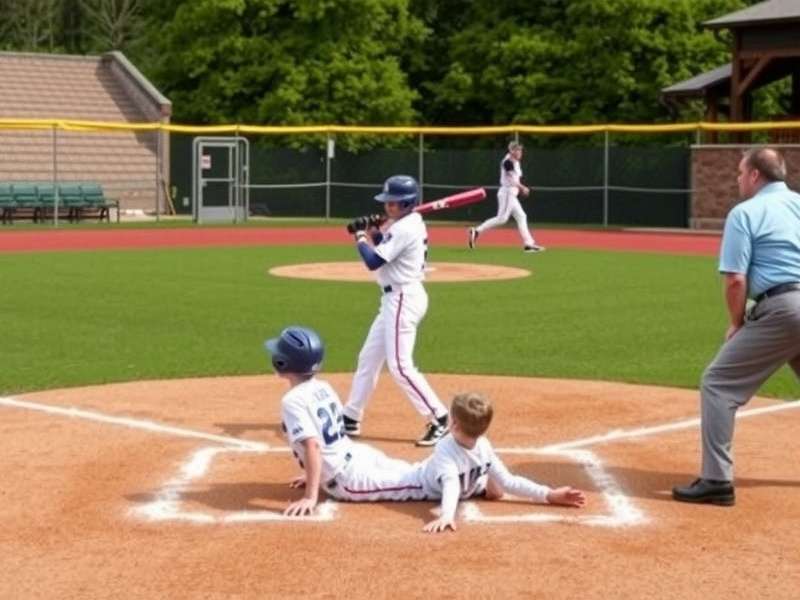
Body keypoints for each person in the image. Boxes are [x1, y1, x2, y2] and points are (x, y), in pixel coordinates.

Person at [673, 147, 800, 507]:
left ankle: (716, 480)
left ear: (756, 175)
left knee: (717, 384)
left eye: (741, 173)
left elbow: (734, 280)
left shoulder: (745, 212)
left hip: (784, 307)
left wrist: (737, 322)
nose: (738, 179)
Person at [265, 325, 431, 517]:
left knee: (419, 484)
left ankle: (468, 481)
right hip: (360, 455)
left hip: (348, 479)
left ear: (282, 362)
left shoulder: (292, 400)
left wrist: (310, 497)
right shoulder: (323, 386)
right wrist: (313, 475)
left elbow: (313, 446)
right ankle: (463, 471)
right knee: (414, 472)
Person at [342, 174, 450, 446]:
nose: (388, 206)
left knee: (400, 367)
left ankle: (439, 417)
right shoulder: (404, 223)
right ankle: (350, 417)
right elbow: (384, 245)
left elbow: (373, 261)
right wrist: (375, 231)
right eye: (387, 202)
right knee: (368, 358)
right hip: (394, 298)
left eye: (394, 203)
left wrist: (360, 236)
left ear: (408, 203)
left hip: (403, 297)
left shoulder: (405, 228)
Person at [418, 392, 586, 533]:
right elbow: (507, 482)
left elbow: (452, 483)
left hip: (431, 483)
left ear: (454, 424)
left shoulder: (459, 446)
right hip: (425, 479)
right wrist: (547, 494)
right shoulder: (478, 445)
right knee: (391, 477)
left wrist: (550, 495)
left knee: (392, 483)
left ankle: (486, 484)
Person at [468, 141, 544, 253]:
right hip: (507, 193)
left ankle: (529, 244)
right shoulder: (508, 162)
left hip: (511, 194)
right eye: (517, 150)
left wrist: (520, 188)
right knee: (502, 219)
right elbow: (512, 180)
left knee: (522, 216)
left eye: (520, 150)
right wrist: (523, 188)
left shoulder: (516, 162)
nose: (520, 152)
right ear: (511, 151)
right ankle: (477, 231)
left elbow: (516, 179)